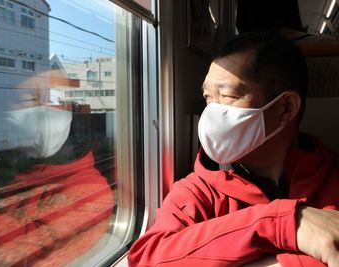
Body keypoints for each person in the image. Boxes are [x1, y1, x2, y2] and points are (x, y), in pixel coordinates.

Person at [128, 32, 339, 267]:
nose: (211, 114)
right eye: (208, 98)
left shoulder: (334, 176)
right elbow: (147, 258)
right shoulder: (198, 191)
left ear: (286, 108)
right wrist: (282, 223)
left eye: (228, 96)